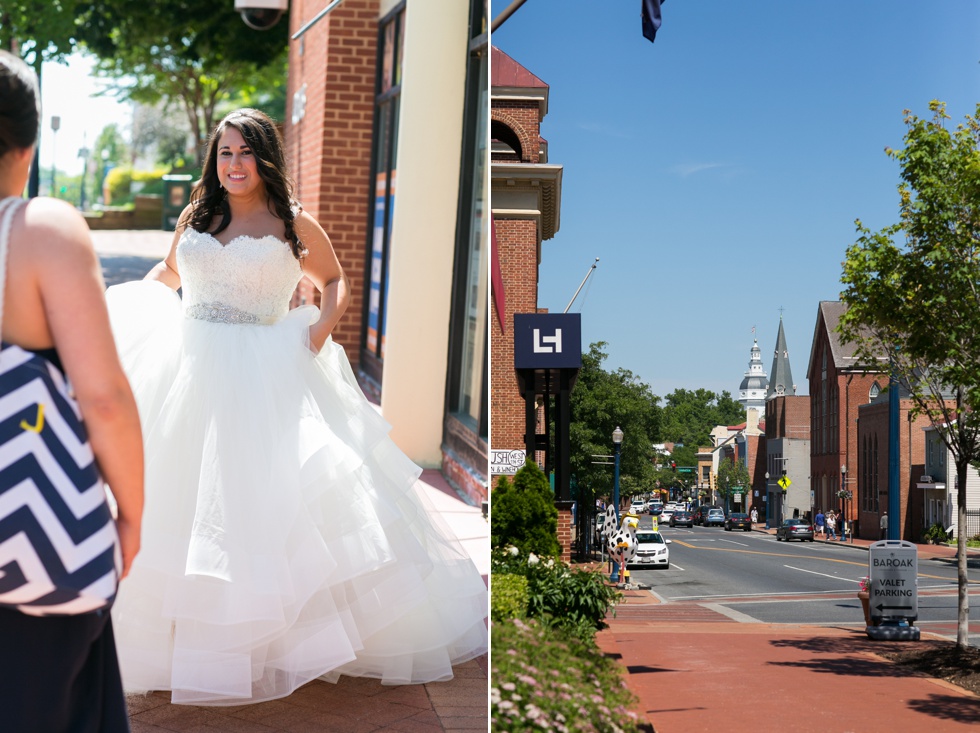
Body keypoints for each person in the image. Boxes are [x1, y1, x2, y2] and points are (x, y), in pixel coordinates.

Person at [105, 108, 487, 705]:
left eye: (245, 152)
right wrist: (133, 312)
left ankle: (269, 639)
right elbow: (170, 271)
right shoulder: (196, 214)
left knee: (262, 503)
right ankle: (185, 626)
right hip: (191, 364)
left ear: (265, 158)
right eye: (225, 152)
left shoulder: (291, 221)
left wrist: (312, 336)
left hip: (264, 368)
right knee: (179, 498)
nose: (233, 163)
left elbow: (335, 283)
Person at [0, 50, 144, 731]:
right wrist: (132, 513)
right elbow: (104, 398)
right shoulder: (40, 233)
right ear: (26, 148)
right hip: (34, 547)